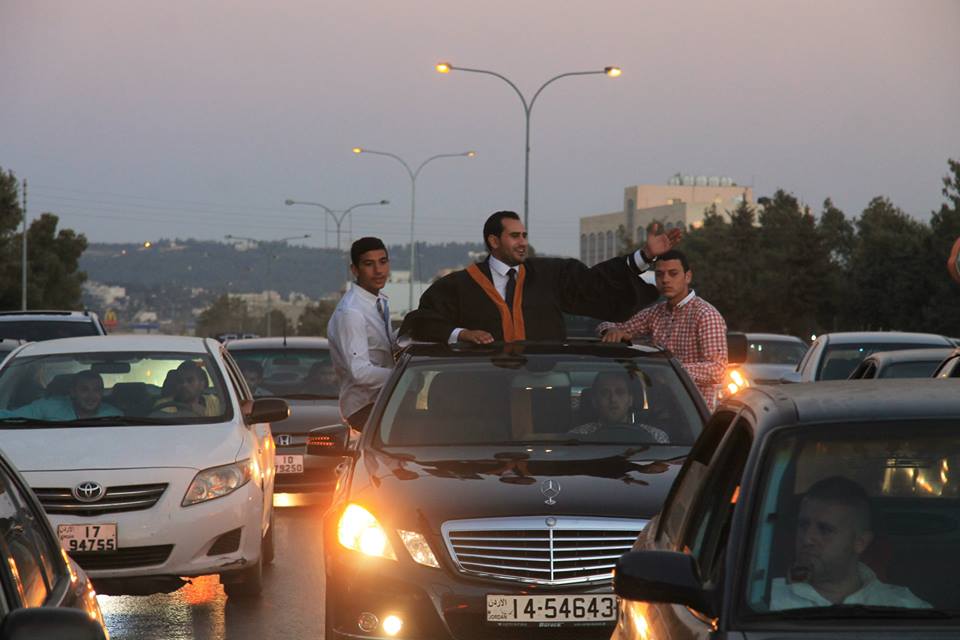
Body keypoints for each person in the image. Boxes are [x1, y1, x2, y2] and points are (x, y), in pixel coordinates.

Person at [399, 211, 679, 344]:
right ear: (494, 241)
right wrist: (462, 334)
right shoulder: (459, 286)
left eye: (524, 236)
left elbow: (595, 284)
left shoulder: (549, 276)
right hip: (485, 396)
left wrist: (644, 255)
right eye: (514, 236)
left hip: (546, 393)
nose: (522, 242)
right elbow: (421, 322)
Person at [770, 476, 930, 610]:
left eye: (825, 529)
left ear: (860, 542)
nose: (807, 538)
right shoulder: (766, 601)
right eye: (803, 525)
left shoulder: (904, 609)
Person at [598, 249, 726, 411]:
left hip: (693, 413)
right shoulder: (655, 313)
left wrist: (671, 371)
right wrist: (610, 330)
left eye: (673, 274)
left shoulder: (705, 315)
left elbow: (717, 370)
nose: (665, 280)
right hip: (659, 411)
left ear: (687, 277)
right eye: (660, 274)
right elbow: (608, 325)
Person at [327, 237, 397, 429]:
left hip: (383, 401)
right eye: (369, 264)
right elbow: (360, 372)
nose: (378, 270)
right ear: (355, 270)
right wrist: (403, 377)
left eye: (383, 262)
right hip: (364, 408)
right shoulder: (352, 312)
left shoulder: (378, 302)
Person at [569, 371, 669, 443]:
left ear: (630, 400)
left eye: (620, 392)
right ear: (595, 401)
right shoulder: (577, 437)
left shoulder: (655, 437)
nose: (613, 399)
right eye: (605, 393)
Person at [0, 371, 121, 420]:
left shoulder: (115, 416)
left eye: (97, 390)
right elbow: (9, 417)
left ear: (102, 393)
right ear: (72, 392)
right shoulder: (49, 407)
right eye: (84, 390)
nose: (91, 396)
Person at [153, 360, 222, 417]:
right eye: (180, 380)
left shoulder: (214, 402)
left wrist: (203, 414)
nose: (184, 384)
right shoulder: (164, 405)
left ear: (202, 384)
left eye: (190, 380)